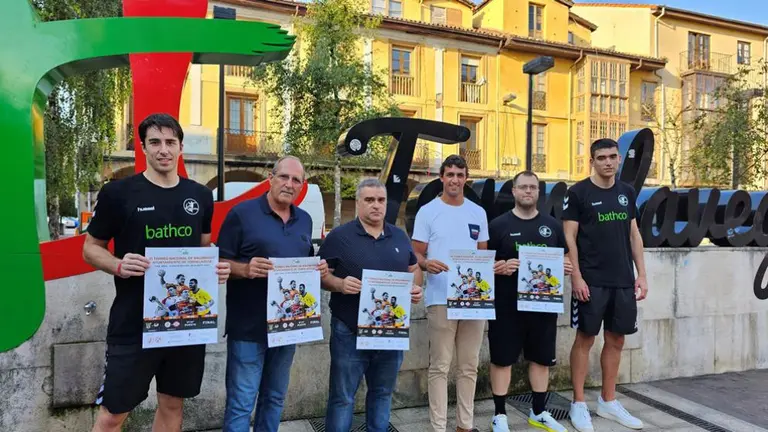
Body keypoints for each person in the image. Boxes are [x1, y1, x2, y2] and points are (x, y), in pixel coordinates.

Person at [83, 113, 231, 432]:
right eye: (155, 142)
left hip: (184, 326)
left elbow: (204, 247)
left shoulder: (200, 196)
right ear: (143, 147)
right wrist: (118, 265)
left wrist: (215, 267)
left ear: (180, 147)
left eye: (170, 142)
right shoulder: (118, 194)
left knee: (173, 404)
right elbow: (90, 248)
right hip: (132, 323)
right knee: (112, 415)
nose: (163, 150)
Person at [216, 155, 328, 432]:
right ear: (270, 178)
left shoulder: (305, 220)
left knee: (274, 398)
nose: (289, 184)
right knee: (241, 404)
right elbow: (218, 263)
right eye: (284, 177)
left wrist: (317, 269)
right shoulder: (241, 214)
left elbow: (304, 264)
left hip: (287, 328)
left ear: (301, 186)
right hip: (248, 328)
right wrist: (245, 269)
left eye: (296, 180)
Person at [318, 178, 423, 432]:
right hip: (349, 331)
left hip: (390, 334)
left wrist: (415, 287)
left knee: (382, 394)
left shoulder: (399, 236)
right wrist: (340, 284)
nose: (376, 205)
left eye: (381, 200)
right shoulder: (338, 236)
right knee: (342, 398)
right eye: (369, 200)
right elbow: (320, 275)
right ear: (358, 203)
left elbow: (414, 268)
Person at [412, 154, 506, 432]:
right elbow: (415, 254)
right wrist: (426, 264)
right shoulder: (428, 211)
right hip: (440, 298)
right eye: (450, 174)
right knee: (440, 367)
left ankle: (465, 425)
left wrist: (492, 269)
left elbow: (482, 255)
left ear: (466, 179)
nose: (454, 179)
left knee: (469, 366)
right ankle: (439, 427)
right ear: (441, 177)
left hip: (473, 301)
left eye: (460, 175)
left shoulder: (477, 213)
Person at [564, 139, 648, 432]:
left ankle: (608, 401)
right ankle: (578, 403)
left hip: (623, 280)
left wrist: (642, 274)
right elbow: (569, 237)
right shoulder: (578, 193)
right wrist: (576, 276)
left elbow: (634, 234)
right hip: (591, 281)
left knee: (616, 340)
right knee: (585, 339)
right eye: (601, 158)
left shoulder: (627, 192)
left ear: (619, 159)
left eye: (613, 156)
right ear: (592, 161)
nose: (608, 162)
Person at [486, 170, 573, 432]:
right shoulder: (498, 225)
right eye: (523, 187)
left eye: (532, 187)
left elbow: (565, 258)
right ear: (513, 191)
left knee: (541, 359)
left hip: (542, 306)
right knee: (502, 359)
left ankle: (538, 411)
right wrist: (498, 267)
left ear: (538, 192)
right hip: (506, 307)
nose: (527, 191)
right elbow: (482, 265)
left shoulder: (552, 226)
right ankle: (499, 414)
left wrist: (565, 266)